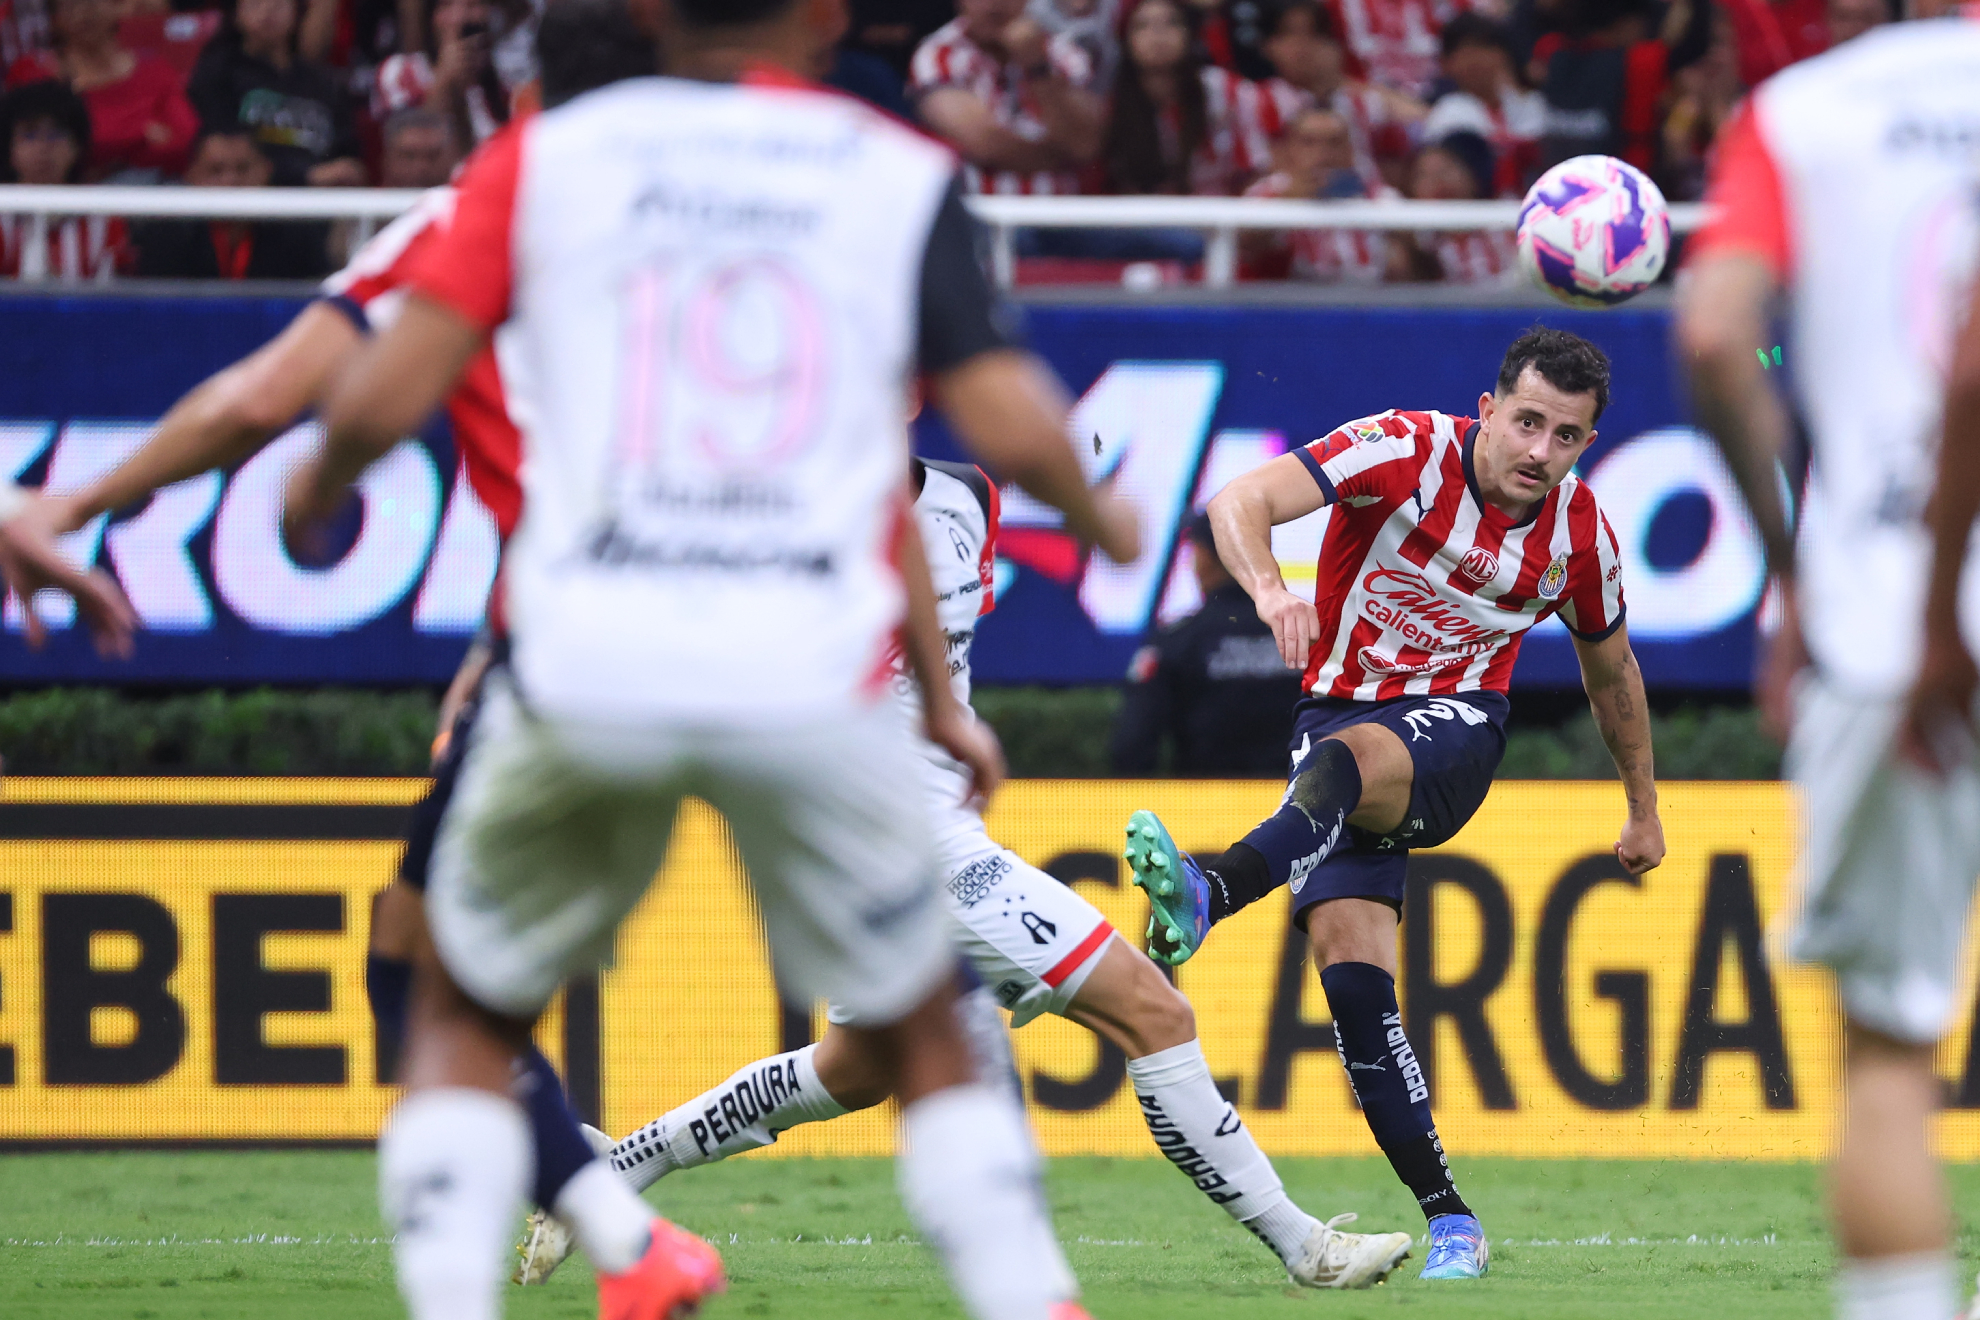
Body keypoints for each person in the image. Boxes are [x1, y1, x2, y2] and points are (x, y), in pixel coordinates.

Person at [294, 2, 1142, 1318]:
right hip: (801, 669)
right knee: (922, 1025)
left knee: (455, 1012)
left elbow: (386, 392)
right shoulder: (886, 166)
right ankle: (1031, 1294)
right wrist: (1100, 517)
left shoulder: (545, 162)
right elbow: (988, 425)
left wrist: (318, 491)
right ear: (820, 21)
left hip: (588, 660)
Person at [0, 0, 663, 1294]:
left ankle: (632, 1245)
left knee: (418, 990)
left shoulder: (479, 215)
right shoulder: (737, 219)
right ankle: (621, 1230)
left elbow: (263, 401)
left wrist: (65, 505)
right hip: (765, 653)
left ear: (519, 96)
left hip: (580, 647)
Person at [524, 462, 1413, 1295]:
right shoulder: (793, 528)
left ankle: (611, 1169)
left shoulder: (968, 498)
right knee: (1156, 1010)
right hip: (899, 845)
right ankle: (1306, 1248)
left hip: (932, 832)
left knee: (858, 1067)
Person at [1125, 328, 1665, 1282]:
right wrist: (1266, 588)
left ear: (1587, 445)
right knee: (1354, 983)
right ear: (1489, 411)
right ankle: (1451, 1218)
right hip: (1334, 739)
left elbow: (1611, 668)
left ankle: (1216, 886)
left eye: (1569, 436)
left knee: (1350, 755)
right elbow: (1239, 499)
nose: (1542, 452)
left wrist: (1643, 808)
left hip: (1455, 734)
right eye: (1530, 422)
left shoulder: (1581, 538)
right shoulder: (1403, 450)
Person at [1675, 8, 1980, 1318]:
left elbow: (1709, 334)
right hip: (1896, 619)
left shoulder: (1802, 114)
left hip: (1883, 618)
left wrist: (1802, 571)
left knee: (1889, 1061)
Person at [1111, 512, 1304, 774]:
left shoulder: (1178, 640)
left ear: (1203, 556)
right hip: (1296, 805)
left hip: (1205, 808)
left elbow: (1134, 744)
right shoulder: (1305, 634)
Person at [909, 0, 1105, 197]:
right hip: (977, 213)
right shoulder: (937, 54)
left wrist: (1037, 66)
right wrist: (1060, 157)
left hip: (1059, 215)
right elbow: (987, 143)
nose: (994, 5)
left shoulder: (1066, 54)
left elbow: (1084, 145)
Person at [5, 0, 196, 180]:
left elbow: (186, 141)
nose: (84, 13)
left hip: (144, 190)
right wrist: (139, 137)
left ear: (117, 6)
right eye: (72, 5)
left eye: (94, 2)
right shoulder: (33, 74)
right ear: (55, 18)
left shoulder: (156, 73)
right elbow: (31, 148)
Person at [1102, 0, 1276, 197]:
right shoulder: (1110, 103)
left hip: (1221, 216)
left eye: (1171, 23)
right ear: (1125, 39)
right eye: (1143, 26)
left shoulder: (1229, 92)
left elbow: (1258, 172)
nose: (1158, 35)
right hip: (1141, 220)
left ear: (1190, 33)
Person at [186, 0, 366, 187]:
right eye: (255, 5)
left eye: (278, 5)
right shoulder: (218, 75)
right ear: (236, 13)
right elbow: (223, 156)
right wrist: (303, 177)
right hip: (252, 204)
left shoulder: (323, 83)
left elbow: (348, 151)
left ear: (297, 12)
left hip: (318, 204)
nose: (267, 13)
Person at [1258, 0, 1422, 191]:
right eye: (1288, 34)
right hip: (1288, 208)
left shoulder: (1365, 102)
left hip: (1361, 208)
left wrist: (1334, 80)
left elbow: (1422, 117)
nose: (1301, 45)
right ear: (1267, 45)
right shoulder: (1256, 101)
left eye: (1313, 34)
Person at [132, 129, 330, 278]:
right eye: (216, 170)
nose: (230, 181)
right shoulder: (167, 236)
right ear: (191, 176)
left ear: (267, 171)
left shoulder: (298, 233)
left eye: (243, 169)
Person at [1240, 104, 1394, 283]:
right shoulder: (1268, 193)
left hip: (1367, 302)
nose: (1323, 153)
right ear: (1290, 149)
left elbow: (1417, 241)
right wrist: (1287, 201)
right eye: (1309, 142)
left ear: (1350, 151)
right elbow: (1242, 240)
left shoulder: (1374, 193)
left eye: (1334, 143)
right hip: (1291, 302)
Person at [0, 78, 127, 279]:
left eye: (55, 134)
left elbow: (112, 299)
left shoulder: (102, 217)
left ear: (76, 147)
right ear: (9, 149)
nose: (43, 148)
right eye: (30, 135)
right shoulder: (2, 216)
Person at [1419, 12, 1543, 196]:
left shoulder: (1533, 105)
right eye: (1465, 53)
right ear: (1446, 64)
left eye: (1484, 48)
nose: (1476, 60)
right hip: (1475, 213)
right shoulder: (1447, 112)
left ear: (1503, 54)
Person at [372, 0, 514, 150]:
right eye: (446, 5)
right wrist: (445, 80)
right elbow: (414, 155)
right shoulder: (400, 72)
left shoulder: (507, 81)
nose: (460, 18)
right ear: (430, 16)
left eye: (473, 5)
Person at [1390, 131, 1515, 282]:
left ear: (1471, 176)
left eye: (1446, 169)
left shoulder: (1507, 224)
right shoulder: (1415, 247)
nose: (1438, 181)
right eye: (1424, 175)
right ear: (1411, 189)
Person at [376, 105, 456, 187]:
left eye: (433, 156)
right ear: (387, 160)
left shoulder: (462, 197)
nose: (422, 167)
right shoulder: (365, 199)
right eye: (409, 156)